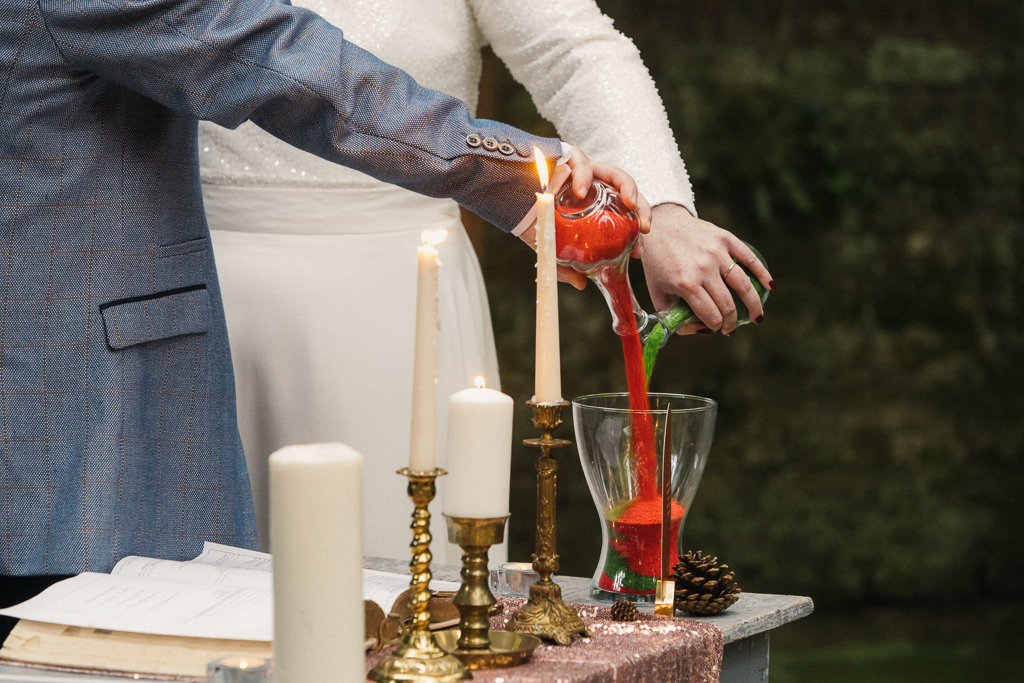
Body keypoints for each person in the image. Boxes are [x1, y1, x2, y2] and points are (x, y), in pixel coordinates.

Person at [0, 0, 645, 627]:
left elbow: (571, 45)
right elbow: (266, 51)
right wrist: (517, 173)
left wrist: (662, 213)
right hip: (68, 399)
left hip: (376, 308)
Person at [199, 0, 774, 563]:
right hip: (197, 291)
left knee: (400, 574)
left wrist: (659, 213)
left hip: (404, 299)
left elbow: (571, 50)